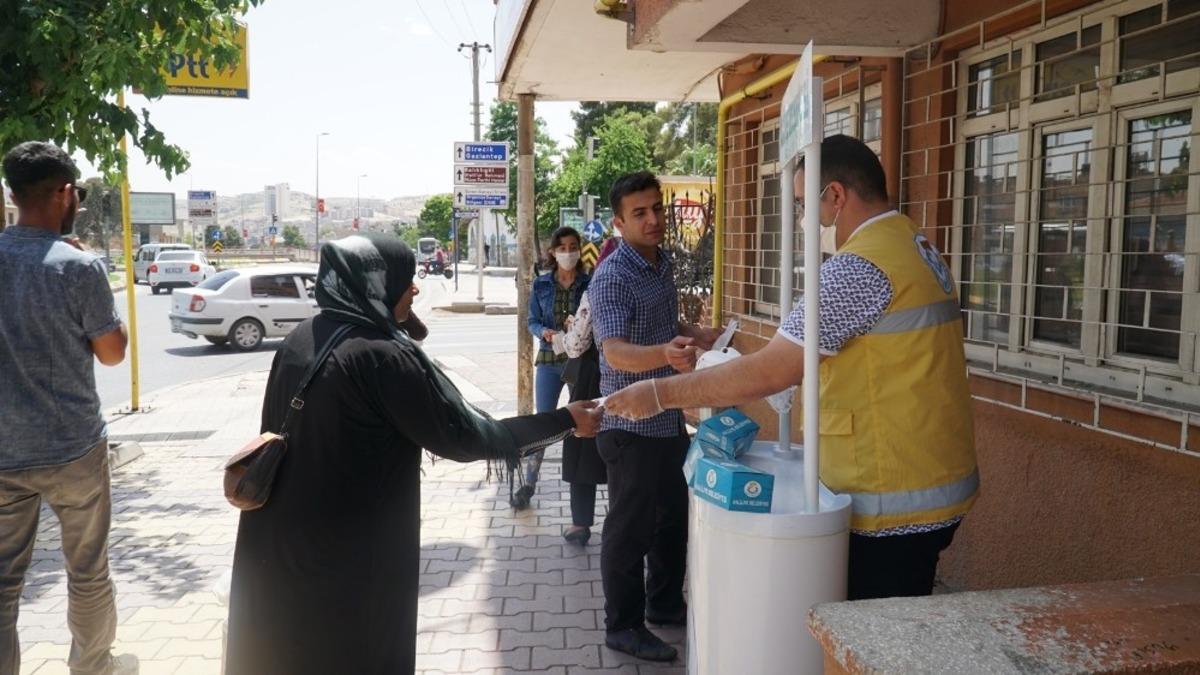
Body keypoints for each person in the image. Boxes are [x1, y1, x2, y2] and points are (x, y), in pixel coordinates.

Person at [605, 135, 980, 602]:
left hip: (891, 496)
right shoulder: (914, 244)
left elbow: (771, 370)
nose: (804, 219)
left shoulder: (857, 270)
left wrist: (661, 394)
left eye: (806, 203)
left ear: (837, 196)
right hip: (930, 479)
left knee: (872, 641)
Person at [225, 233, 602, 675]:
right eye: (406, 279)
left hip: (278, 548)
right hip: (353, 560)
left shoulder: (302, 338)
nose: (416, 288)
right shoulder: (380, 357)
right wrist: (565, 420)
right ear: (374, 287)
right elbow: (468, 436)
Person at [0, 142, 137, 675]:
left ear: (13, 194)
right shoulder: (79, 267)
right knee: (86, 569)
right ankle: (93, 666)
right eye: (75, 192)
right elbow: (112, 353)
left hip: (3, 454)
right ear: (63, 194)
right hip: (73, 451)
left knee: (4, 583)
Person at [589, 172, 722, 662]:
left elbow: (663, 325)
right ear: (618, 222)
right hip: (629, 425)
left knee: (672, 521)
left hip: (667, 420)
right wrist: (668, 353)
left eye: (656, 209)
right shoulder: (613, 275)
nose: (652, 219)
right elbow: (616, 352)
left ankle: (664, 606)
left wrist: (697, 334)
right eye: (639, 213)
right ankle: (621, 625)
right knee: (629, 531)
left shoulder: (660, 262)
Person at [515, 227, 590, 508]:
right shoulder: (542, 284)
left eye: (573, 246)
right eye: (563, 247)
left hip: (578, 362)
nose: (568, 253)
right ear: (553, 252)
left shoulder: (589, 283)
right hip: (548, 360)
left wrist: (580, 326)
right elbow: (531, 320)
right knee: (543, 422)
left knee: (580, 424)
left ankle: (578, 500)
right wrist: (544, 332)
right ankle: (528, 483)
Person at [553, 238, 620, 544]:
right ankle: (623, 521)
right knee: (625, 448)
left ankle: (580, 524)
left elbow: (578, 343)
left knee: (583, 444)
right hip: (638, 379)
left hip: (594, 378)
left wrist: (565, 335)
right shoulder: (647, 285)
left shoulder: (596, 289)